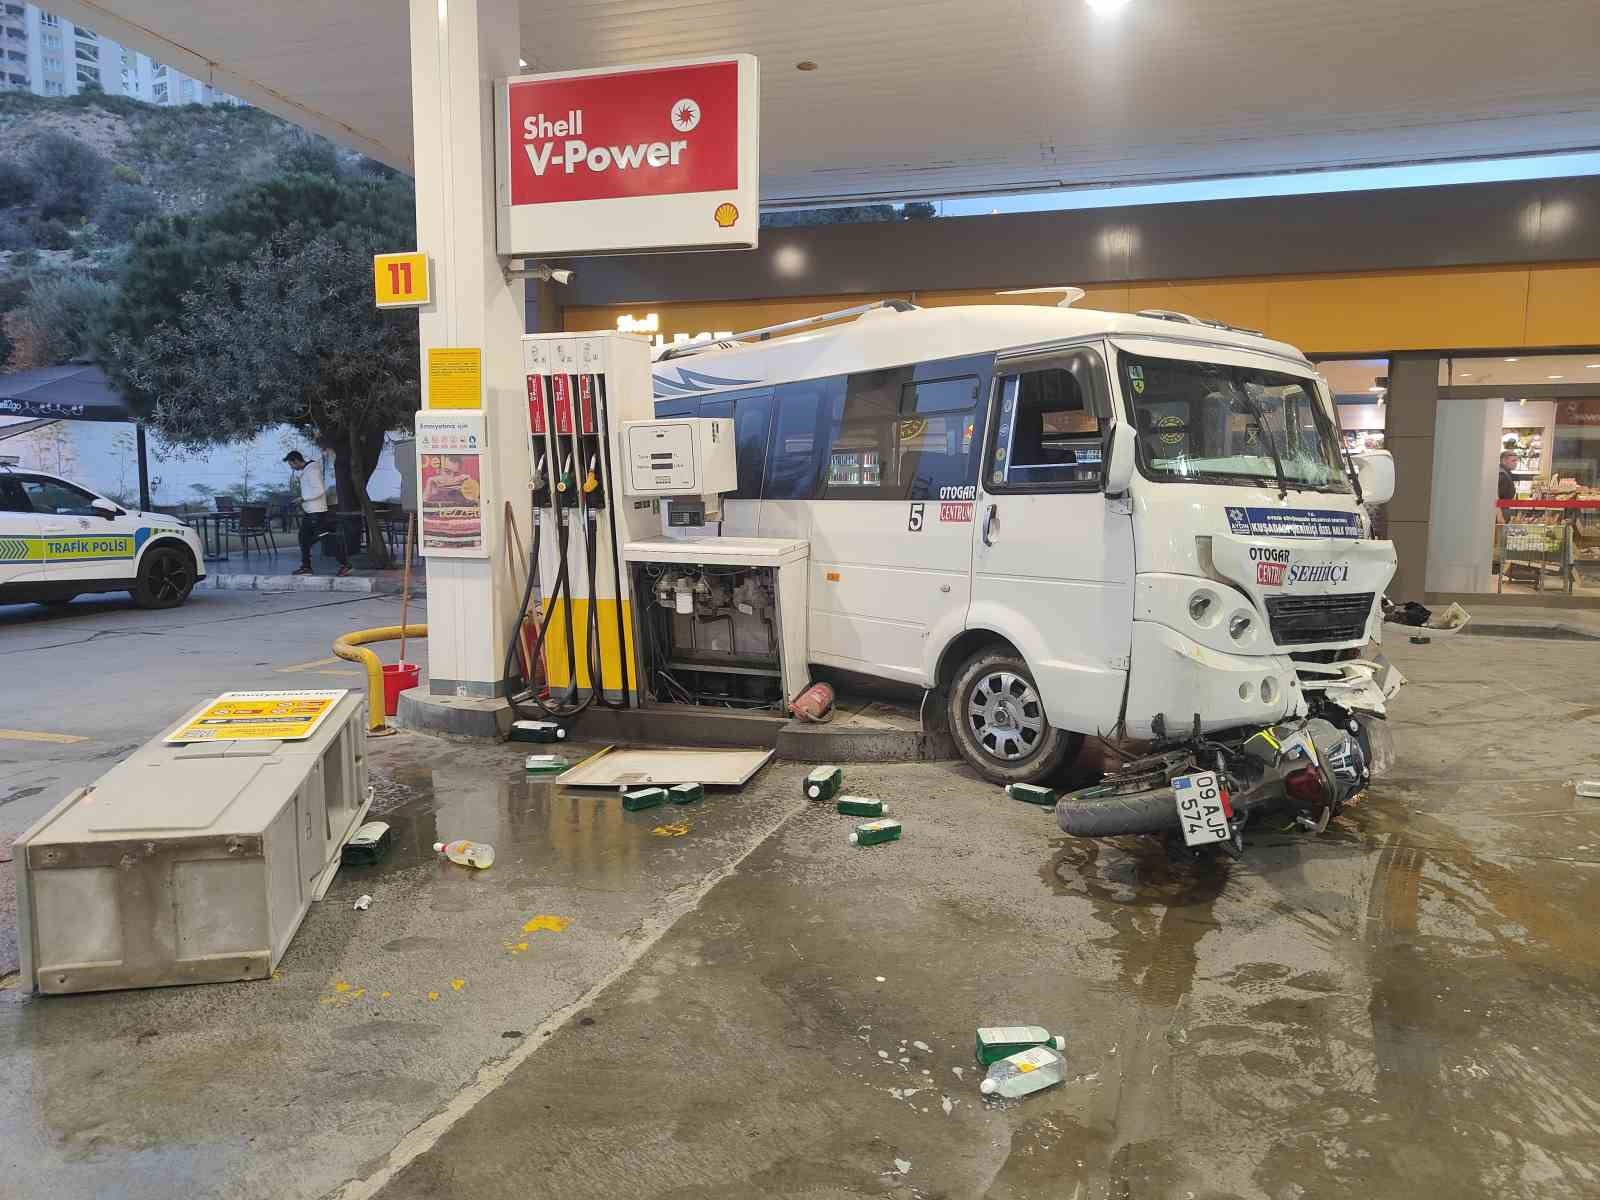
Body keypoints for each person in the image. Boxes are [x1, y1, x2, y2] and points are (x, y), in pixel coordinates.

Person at [284, 449, 351, 577]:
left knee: (326, 539)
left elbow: (320, 490)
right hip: (311, 512)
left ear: (296, 460)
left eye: (291, 464)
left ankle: (346, 564)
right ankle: (306, 567)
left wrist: (303, 498)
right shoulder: (308, 470)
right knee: (303, 538)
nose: (292, 468)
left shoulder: (312, 470)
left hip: (316, 512)